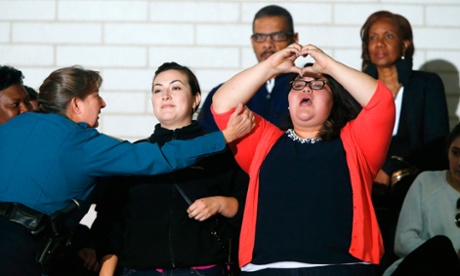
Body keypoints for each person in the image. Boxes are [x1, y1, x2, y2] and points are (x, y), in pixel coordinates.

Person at [0, 65, 254, 276]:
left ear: (195, 98)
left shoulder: (13, 126)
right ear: (76, 105)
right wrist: (224, 137)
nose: (102, 102)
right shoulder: (85, 144)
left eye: (176, 88)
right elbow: (158, 157)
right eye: (95, 95)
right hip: (22, 252)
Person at [211, 43, 395, 275]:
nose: (306, 88)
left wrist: (330, 66)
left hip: (341, 268)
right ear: (288, 101)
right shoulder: (264, 141)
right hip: (266, 269)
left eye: (318, 84)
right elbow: (222, 104)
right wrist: (269, 67)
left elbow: (382, 101)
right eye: (298, 84)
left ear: (333, 100)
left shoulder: (356, 141)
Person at [96, 62, 249, 276]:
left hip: (203, 269)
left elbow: (248, 209)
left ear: (196, 99)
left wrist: (220, 203)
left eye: (175, 88)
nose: (165, 95)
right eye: (158, 90)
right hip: (140, 271)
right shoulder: (135, 154)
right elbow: (110, 220)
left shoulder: (220, 151)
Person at [360, 11, 450, 271]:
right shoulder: (356, 85)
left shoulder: (426, 84)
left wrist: (389, 168)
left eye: (388, 36)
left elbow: (436, 143)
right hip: (368, 187)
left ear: (405, 44)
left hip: (412, 186)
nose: (379, 44)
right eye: (372, 37)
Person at [198, 4, 298, 131]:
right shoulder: (225, 94)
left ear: (295, 39)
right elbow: (205, 143)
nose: (267, 44)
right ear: (252, 41)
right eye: (260, 37)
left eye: (278, 36)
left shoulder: (308, 90)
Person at [383, 123, 460, 276]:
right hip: (420, 270)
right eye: (455, 153)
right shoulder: (426, 182)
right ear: (447, 152)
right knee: (441, 245)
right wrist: (446, 257)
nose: (459, 162)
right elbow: (403, 241)